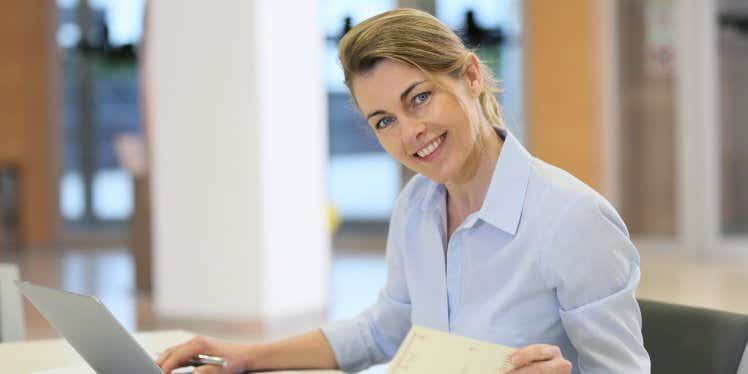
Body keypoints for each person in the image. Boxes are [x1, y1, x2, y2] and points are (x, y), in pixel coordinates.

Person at [156, 8, 650, 374]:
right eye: (385, 120)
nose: (409, 132)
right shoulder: (417, 207)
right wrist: (245, 356)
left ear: (472, 76)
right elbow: (383, 331)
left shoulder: (572, 219)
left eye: (420, 98)